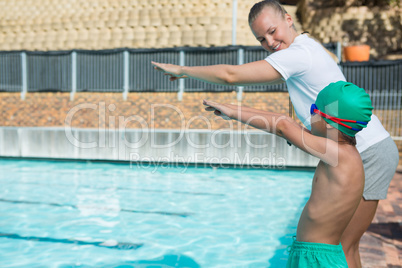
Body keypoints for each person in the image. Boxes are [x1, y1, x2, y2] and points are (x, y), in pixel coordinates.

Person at [151, 1, 399, 267]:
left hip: (366, 149)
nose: (269, 42)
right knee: (344, 247)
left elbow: (231, 75)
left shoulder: (298, 55)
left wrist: (182, 70)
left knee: (342, 247)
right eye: (261, 38)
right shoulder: (308, 47)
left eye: (272, 31)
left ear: (289, 19)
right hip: (359, 146)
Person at [204, 81, 372, 267]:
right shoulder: (345, 153)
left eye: (313, 110)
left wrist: (234, 113)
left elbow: (283, 126)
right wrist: (231, 110)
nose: (310, 116)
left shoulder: (337, 154)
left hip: (317, 259)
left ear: (328, 122)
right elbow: (286, 122)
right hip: (317, 253)